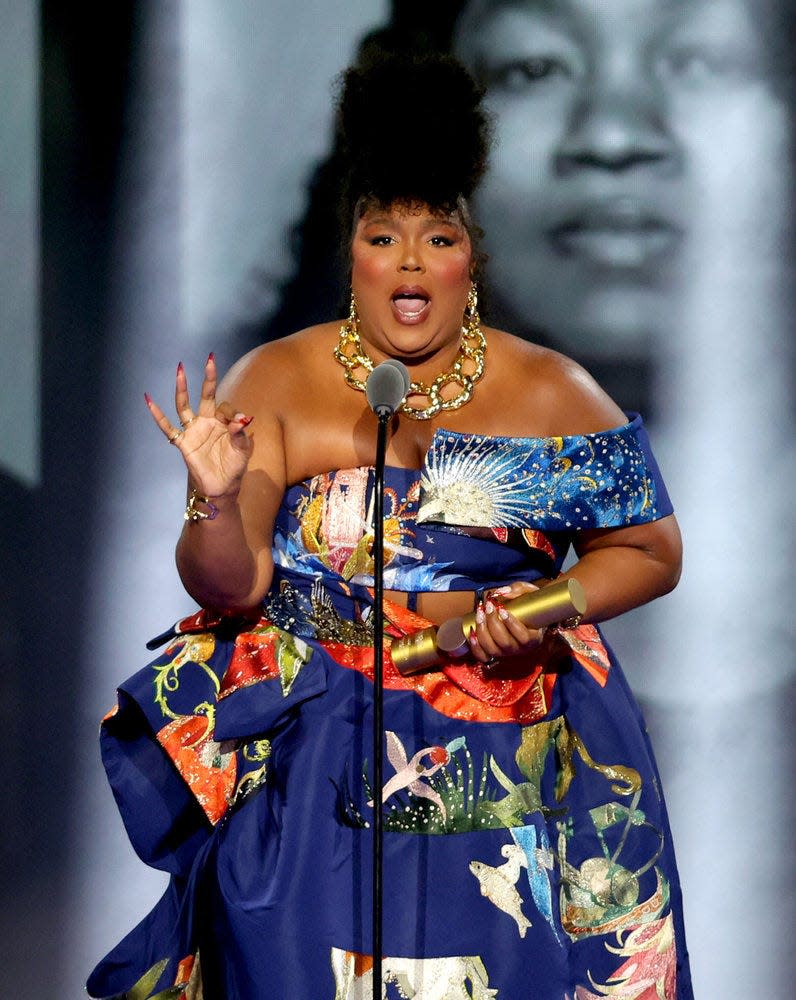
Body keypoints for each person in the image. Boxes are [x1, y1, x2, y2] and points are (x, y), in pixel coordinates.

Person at [87, 54, 692, 999]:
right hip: (318, 762)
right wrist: (212, 494)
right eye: (383, 236)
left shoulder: (547, 391)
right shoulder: (276, 381)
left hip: (500, 763)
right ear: (354, 255)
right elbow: (229, 585)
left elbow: (651, 549)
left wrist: (538, 608)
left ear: (469, 261)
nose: (410, 260)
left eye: (437, 236)